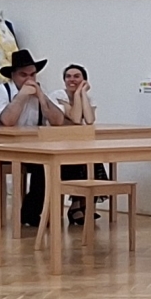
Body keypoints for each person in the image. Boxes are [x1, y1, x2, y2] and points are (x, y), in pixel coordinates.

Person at [0, 49, 64, 229]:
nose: (29, 79)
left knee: (48, 165)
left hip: (32, 146)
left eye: (32, 74)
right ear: (13, 76)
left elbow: (58, 121)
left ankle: (30, 214)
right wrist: (21, 97)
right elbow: (7, 121)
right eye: (23, 75)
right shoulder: (1, 92)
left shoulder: (41, 91)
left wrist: (42, 98)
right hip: (2, 146)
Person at [52, 63, 108, 225]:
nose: (72, 79)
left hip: (76, 142)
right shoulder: (58, 95)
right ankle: (77, 205)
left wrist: (82, 93)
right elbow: (76, 118)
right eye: (68, 76)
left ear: (84, 80)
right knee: (79, 161)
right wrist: (78, 94)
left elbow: (89, 120)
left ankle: (85, 204)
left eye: (77, 76)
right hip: (58, 143)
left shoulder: (87, 97)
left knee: (94, 160)